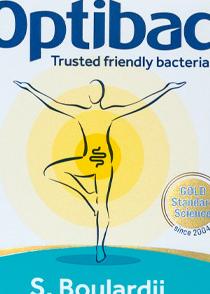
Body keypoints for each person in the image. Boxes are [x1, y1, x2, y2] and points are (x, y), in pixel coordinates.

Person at [14, 78, 186, 262]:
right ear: (87, 94)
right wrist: (30, 88)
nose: (93, 94)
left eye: (97, 91)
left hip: (105, 165)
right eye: (91, 91)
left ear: (102, 94)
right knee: (51, 172)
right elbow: (53, 104)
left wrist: (167, 88)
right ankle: (88, 195)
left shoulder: (111, 113)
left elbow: (141, 104)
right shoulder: (78, 112)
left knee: (102, 207)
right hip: (85, 161)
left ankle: (99, 246)